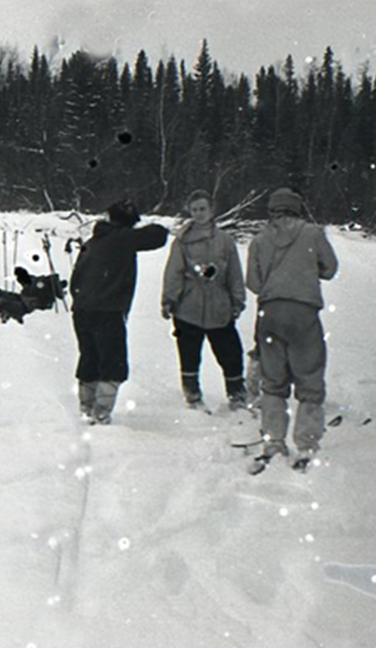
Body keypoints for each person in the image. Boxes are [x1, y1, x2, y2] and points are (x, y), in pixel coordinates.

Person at [246, 187, 339, 468]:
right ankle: (306, 443)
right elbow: (331, 268)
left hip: (270, 313)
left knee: (273, 380)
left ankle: (274, 439)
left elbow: (253, 282)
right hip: (303, 312)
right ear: (298, 208)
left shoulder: (260, 240)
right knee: (309, 377)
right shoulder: (312, 234)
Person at [70, 199, 169, 424]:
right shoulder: (122, 238)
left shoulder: (93, 240)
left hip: (83, 310)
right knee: (112, 363)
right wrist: (166, 226)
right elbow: (157, 237)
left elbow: (75, 278)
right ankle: (102, 412)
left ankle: (86, 409)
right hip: (107, 311)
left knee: (89, 358)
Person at [160, 190, 247, 410]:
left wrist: (237, 301)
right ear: (190, 210)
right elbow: (174, 272)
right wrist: (169, 300)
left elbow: (235, 274)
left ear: (211, 211)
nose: (199, 213)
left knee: (230, 354)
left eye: (203, 209)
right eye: (195, 209)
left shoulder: (225, 241)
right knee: (189, 354)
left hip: (219, 308)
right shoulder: (182, 242)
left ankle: (237, 394)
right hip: (188, 308)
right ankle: (192, 395)